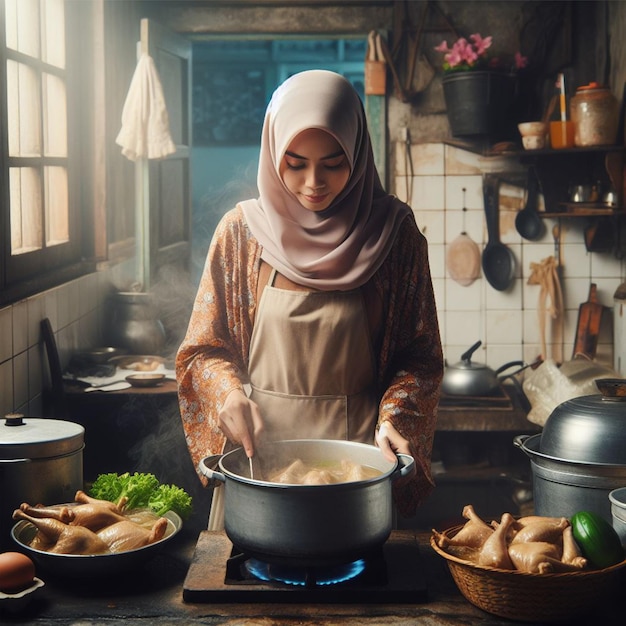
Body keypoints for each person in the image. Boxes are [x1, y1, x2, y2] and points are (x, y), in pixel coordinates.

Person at [176, 69, 443, 527]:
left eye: (334, 162)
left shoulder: (395, 236)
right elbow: (203, 352)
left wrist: (396, 417)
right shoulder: (240, 236)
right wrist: (226, 396)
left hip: (360, 472)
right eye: (295, 163)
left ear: (358, 154)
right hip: (259, 467)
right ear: (272, 151)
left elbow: (419, 358)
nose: (313, 183)